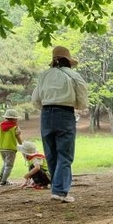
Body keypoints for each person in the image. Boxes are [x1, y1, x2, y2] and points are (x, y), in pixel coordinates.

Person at [31, 45, 88, 203]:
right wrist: (79, 106)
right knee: (65, 153)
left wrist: (46, 106)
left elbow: (35, 99)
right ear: (68, 61)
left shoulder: (44, 76)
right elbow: (82, 96)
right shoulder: (73, 75)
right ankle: (60, 191)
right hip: (64, 114)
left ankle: (56, 188)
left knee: (51, 153)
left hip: (46, 114)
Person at [0, 109, 23, 186]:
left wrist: (1, 142)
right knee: (9, 165)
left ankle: (0, 177)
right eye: (16, 118)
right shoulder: (15, 127)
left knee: (5, 163)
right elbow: (18, 137)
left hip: (1, 147)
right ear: (14, 119)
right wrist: (22, 145)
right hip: (10, 148)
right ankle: (3, 181)